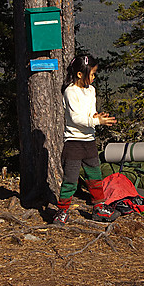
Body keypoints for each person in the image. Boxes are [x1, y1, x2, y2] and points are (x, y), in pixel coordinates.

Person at [54, 54, 119, 224]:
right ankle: (62, 211)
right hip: (74, 143)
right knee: (70, 179)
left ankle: (99, 208)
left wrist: (97, 116)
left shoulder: (91, 90)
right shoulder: (70, 92)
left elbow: (89, 113)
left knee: (95, 177)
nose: (94, 77)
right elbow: (76, 119)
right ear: (79, 74)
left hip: (89, 141)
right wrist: (97, 121)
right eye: (91, 74)